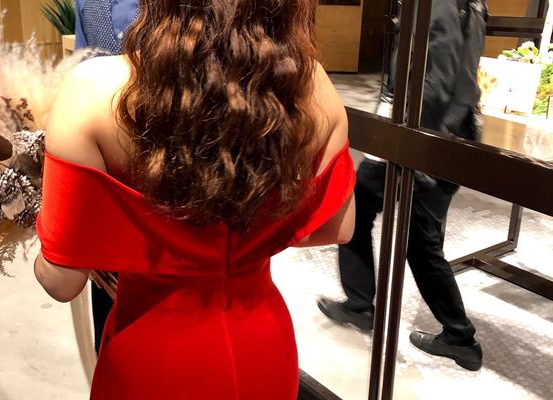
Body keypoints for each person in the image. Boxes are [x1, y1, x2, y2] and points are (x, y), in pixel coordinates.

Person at [34, 1, 356, 398]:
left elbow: (62, 281)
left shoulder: (93, 89)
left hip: (152, 352)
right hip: (261, 344)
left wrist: (40, 220)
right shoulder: (311, 85)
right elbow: (337, 228)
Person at [317, 0, 488, 372]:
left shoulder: (435, 3)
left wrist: (415, 149)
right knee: (394, 225)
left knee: (399, 230)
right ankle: (365, 304)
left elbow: (436, 77)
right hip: (446, 132)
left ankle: (457, 336)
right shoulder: (470, 3)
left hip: (424, 136)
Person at [73, 0, 140, 354]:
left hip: (173, 168)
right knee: (108, 310)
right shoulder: (88, 1)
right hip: (107, 174)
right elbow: (81, 70)